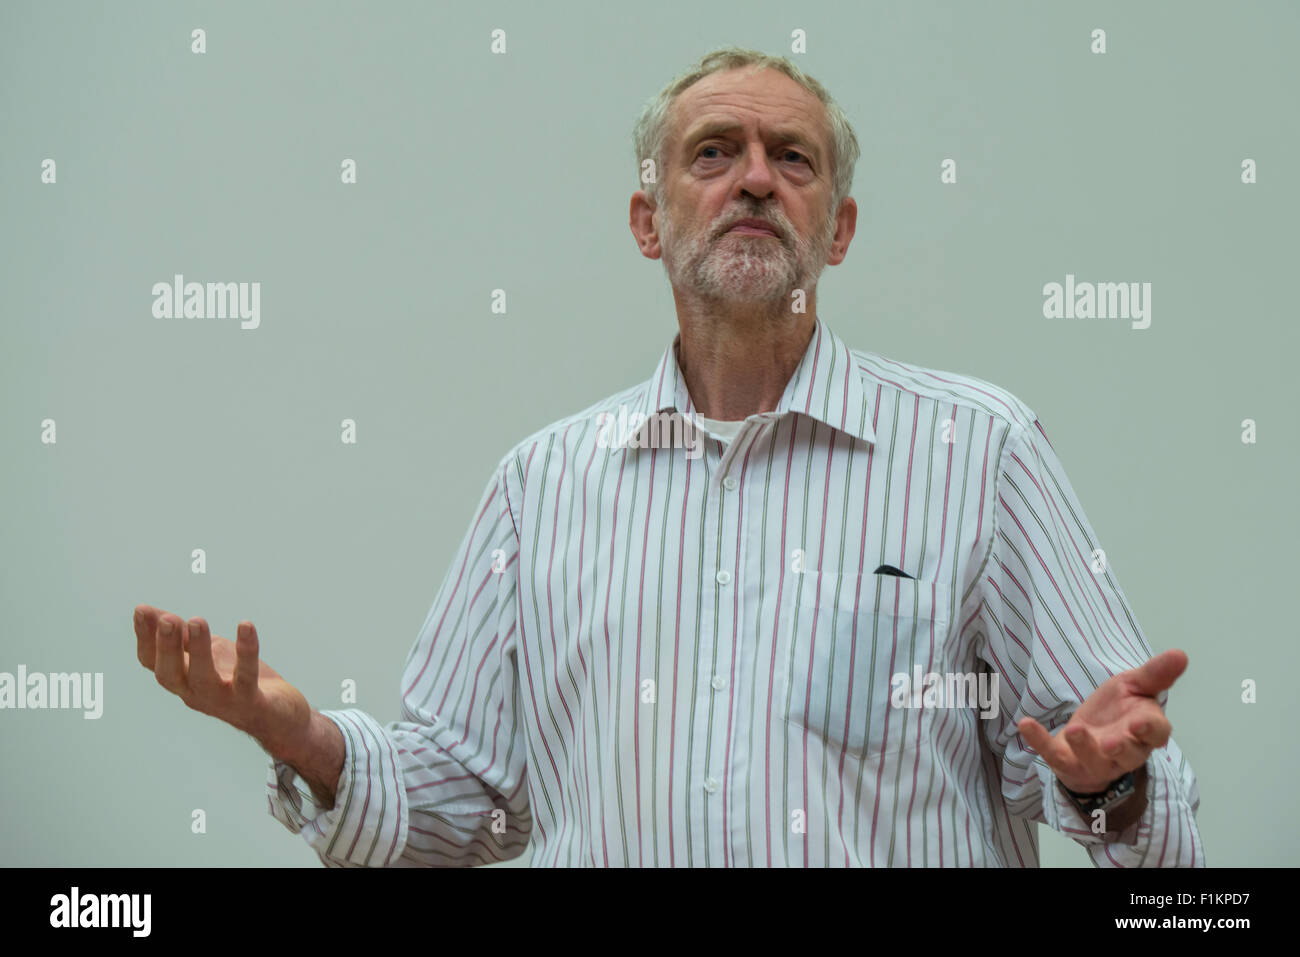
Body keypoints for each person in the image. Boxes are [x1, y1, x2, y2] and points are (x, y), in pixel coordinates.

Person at [133, 46, 1202, 867]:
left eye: (792, 160)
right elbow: (462, 803)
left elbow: (1116, 791)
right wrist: (313, 743)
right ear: (649, 221)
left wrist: (1112, 787)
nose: (753, 181)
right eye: (712, 153)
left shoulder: (982, 450)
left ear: (838, 229)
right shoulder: (538, 488)